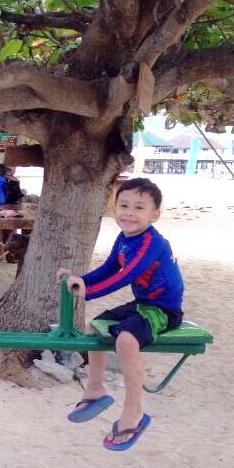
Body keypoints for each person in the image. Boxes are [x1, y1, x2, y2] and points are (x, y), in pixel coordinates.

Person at [57, 177, 184, 451]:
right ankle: (95, 389)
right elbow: (109, 268)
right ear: (114, 209)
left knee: (126, 340)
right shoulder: (125, 238)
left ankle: (133, 411)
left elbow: (127, 275)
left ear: (154, 215)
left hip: (164, 310)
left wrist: (89, 292)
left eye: (139, 208)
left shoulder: (153, 242)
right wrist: (82, 280)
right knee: (95, 327)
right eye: (123, 205)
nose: (129, 213)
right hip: (142, 304)